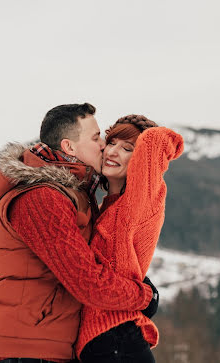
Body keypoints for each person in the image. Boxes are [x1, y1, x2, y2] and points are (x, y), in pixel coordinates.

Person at [0, 104, 158, 363]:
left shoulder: (75, 193)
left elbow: (100, 254)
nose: (103, 145)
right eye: (96, 137)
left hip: (47, 347)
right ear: (69, 147)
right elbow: (87, 281)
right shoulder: (42, 198)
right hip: (25, 352)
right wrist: (142, 296)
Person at [75, 115, 184, 363]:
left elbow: (157, 140)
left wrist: (144, 130)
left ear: (142, 160)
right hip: (105, 342)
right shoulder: (106, 206)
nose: (112, 152)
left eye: (127, 149)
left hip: (117, 340)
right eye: (110, 143)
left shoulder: (141, 200)